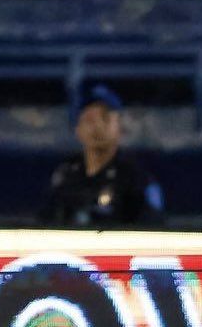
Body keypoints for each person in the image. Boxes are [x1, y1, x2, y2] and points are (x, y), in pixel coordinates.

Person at [40, 84, 165, 227]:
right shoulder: (65, 175)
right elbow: (46, 223)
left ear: (119, 127)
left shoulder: (135, 179)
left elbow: (152, 228)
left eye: (105, 119)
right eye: (90, 119)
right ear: (78, 129)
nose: (97, 127)